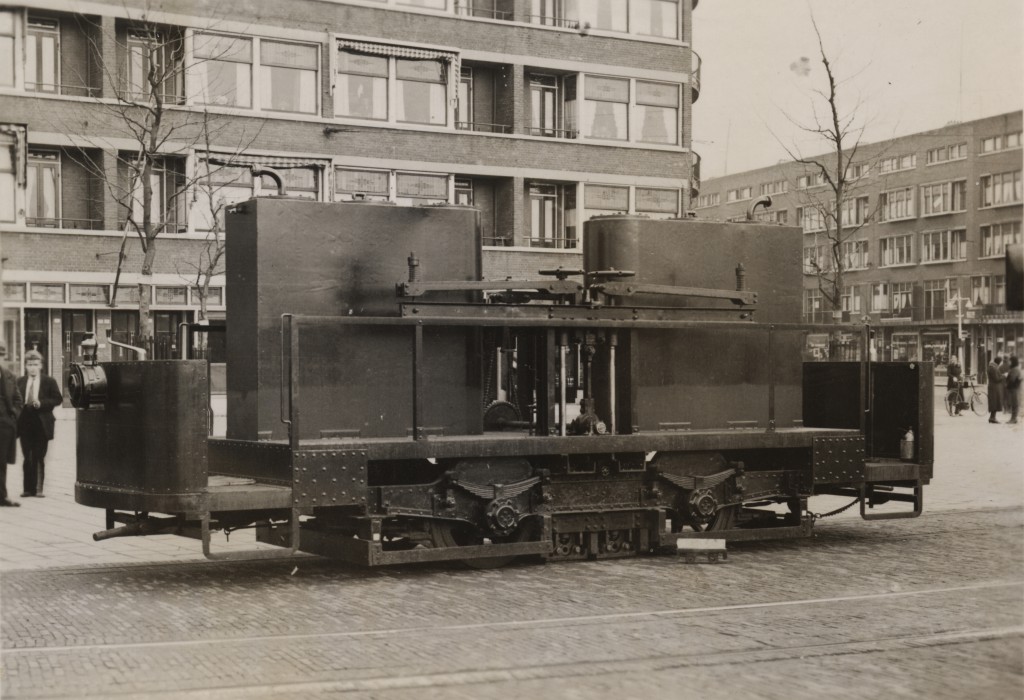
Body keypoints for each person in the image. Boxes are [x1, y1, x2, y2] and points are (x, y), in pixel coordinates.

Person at [17, 350, 62, 497]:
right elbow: (15, 399)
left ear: (40, 365)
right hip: (25, 422)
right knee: (27, 455)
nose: (32, 368)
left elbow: (57, 399)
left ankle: (38, 489)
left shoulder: (49, 381)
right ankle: (27, 489)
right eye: (29, 364)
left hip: (41, 423)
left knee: (39, 455)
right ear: (26, 366)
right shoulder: (21, 382)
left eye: (35, 364)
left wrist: (41, 403)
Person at [0, 340, 24, 507]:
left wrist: (13, 416)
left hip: (5, 426)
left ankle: (1, 496)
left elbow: (18, 400)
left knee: (1, 462)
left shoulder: (9, 376)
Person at [987, 355, 1005, 423]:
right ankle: (992, 418)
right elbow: (996, 379)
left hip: (993, 387)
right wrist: (1003, 376)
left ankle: (992, 417)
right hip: (994, 388)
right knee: (994, 402)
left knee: (994, 402)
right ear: (999, 362)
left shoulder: (992, 367)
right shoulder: (994, 368)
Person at [1007, 355, 1021, 425]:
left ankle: (1013, 418)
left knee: (1014, 403)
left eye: (1010, 361)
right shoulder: (1016, 368)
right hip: (1015, 388)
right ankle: (1013, 418)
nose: (1009, 362)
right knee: (1014, 403)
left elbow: (1012, 379)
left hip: (1014, 388)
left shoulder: (1015, 369)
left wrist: (1008, 377)